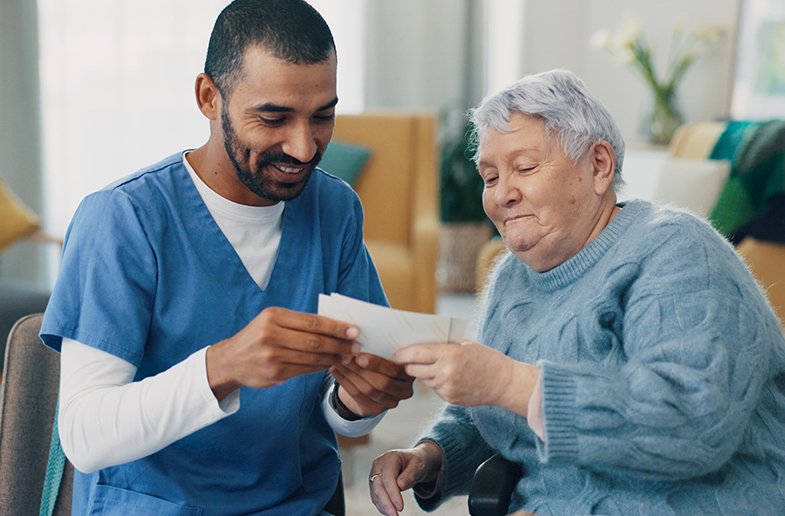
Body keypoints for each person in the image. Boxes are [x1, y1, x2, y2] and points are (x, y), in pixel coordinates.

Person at [40, 1, 414, 513]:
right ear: (209, 97)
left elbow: (339, 412)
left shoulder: (335, 211)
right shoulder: (124, 219)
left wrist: (359, 402)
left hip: (295, 502)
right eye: (273, 117)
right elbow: (84, 435)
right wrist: (225, 366)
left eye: (322, 116)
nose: (304, 147)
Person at [370, 69, 785, 515]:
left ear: (599, 166)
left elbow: (692, 425)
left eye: (525, 168)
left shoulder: (677, 251)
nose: (502, 194)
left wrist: (509, 381)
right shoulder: (513, 275)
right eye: (490, 178)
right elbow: (491, 402)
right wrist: (432, 455)